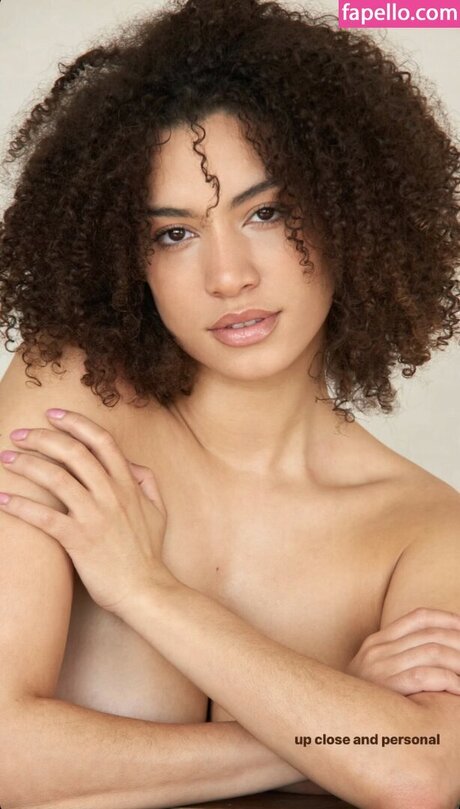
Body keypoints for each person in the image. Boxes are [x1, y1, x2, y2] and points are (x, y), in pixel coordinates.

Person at [0, 0, 459, 807]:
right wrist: (331, 724)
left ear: (352, 213)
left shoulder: (424, 527)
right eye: (173, 233)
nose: (227, 276)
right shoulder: (73, 398)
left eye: (267, 212)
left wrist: (146, 590)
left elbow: (420, 772)